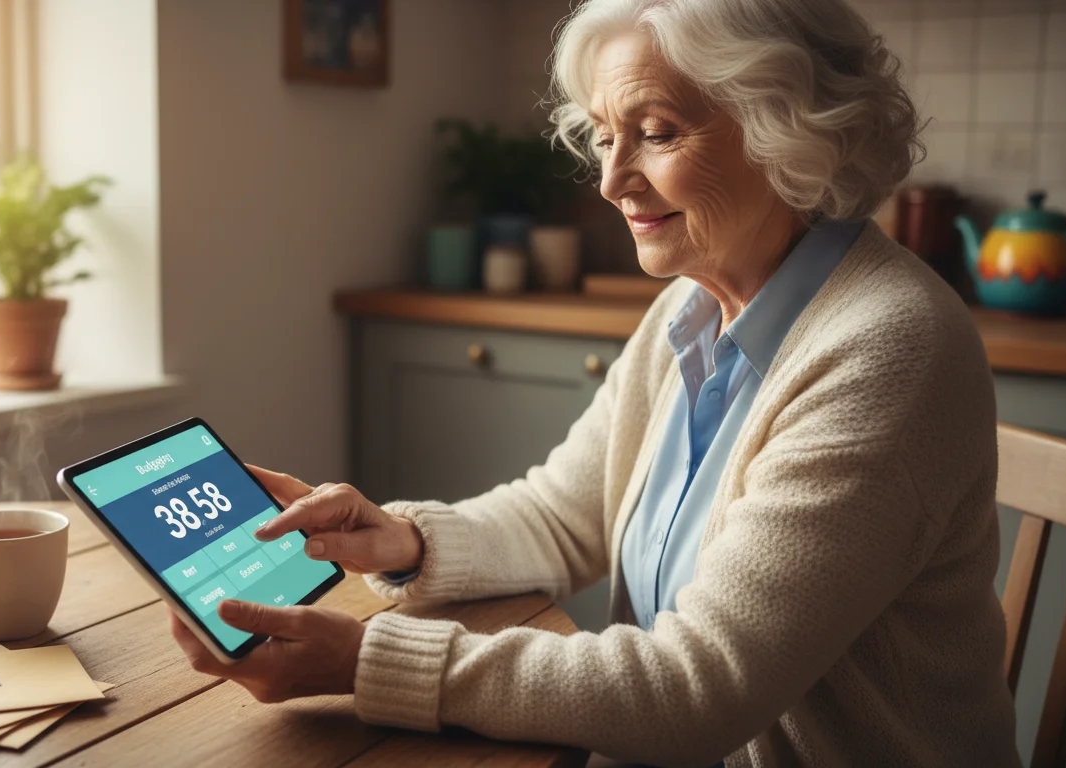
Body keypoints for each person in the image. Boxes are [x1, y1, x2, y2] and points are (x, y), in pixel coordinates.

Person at [170, 0, 1019, 764]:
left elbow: (697, 689)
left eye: (655, 132)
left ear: (787, 128)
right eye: (606, 136)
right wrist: (398, 539)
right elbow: (563, 513)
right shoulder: (695, 304)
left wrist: (362, 660)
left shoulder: (887, 348)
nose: (612, 182)